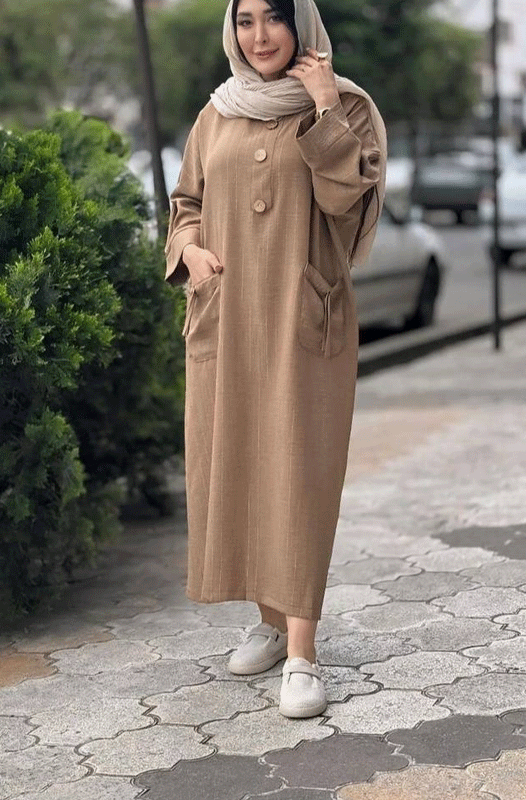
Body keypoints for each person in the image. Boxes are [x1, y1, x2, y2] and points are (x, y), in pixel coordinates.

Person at [164, 0, 387, 718]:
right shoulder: (216, 113)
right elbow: (185, 202)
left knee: (298, 472)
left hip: (302, 313)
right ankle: (267, 622)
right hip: (227, 316)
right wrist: (189, 252)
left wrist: (324, 110)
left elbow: (346, 204)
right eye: (245, 20)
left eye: (273, 18)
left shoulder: (347, 107)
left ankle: (302, 652)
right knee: (239, 464)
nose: (258, 35)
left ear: (301, 26)